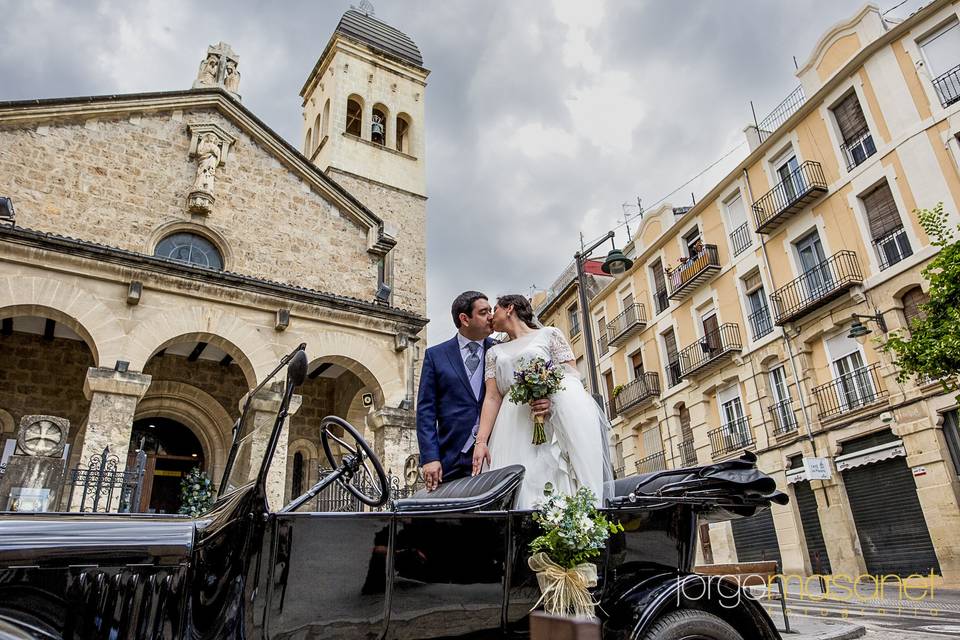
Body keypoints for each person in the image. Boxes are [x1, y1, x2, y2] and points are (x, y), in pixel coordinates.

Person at [472, 294, 613, 508]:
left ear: (509, 308)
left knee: (550, 475)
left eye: (495, 309)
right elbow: (492, 397)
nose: (491, 316)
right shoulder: (493, 352)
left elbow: (571, 376)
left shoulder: (549, 335)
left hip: (546, 419)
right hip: (509, 426)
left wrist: (552, 401)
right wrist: (481, 442)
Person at [416, 291, 551, 490]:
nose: (491, 316)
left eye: (491, 310)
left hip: (498, 451)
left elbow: (522, 390)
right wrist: (430, 458)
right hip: (451, 458)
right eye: (483, 312)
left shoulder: (505, 351)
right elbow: (426, 412)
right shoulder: (435, 356)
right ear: (464, 319)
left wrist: (544, 401)